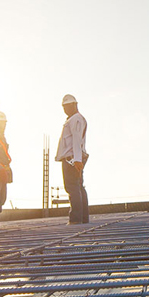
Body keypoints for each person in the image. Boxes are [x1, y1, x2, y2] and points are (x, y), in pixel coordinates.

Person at [55, 94, 89, 224]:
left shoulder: (76, 119)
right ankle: (83, 218)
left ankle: (75, 219)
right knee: (78, 187)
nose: (65, 110)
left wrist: (77, 160)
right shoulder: (74, 119)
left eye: (67, 106)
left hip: (72, 159)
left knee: (72, 187)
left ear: (74, 105)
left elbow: (76, 139)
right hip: (74, 158)